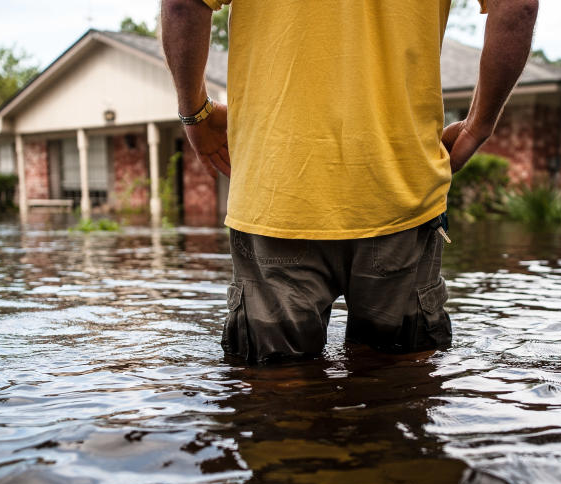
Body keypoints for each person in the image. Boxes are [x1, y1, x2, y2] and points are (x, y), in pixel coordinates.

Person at [160, 0, 539, 364]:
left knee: (275, 400)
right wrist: (479, 124)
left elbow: (181, 5)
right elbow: (518, 5)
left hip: (278, 193)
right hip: (400, 192)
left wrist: (195, 113)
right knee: (398, 391)